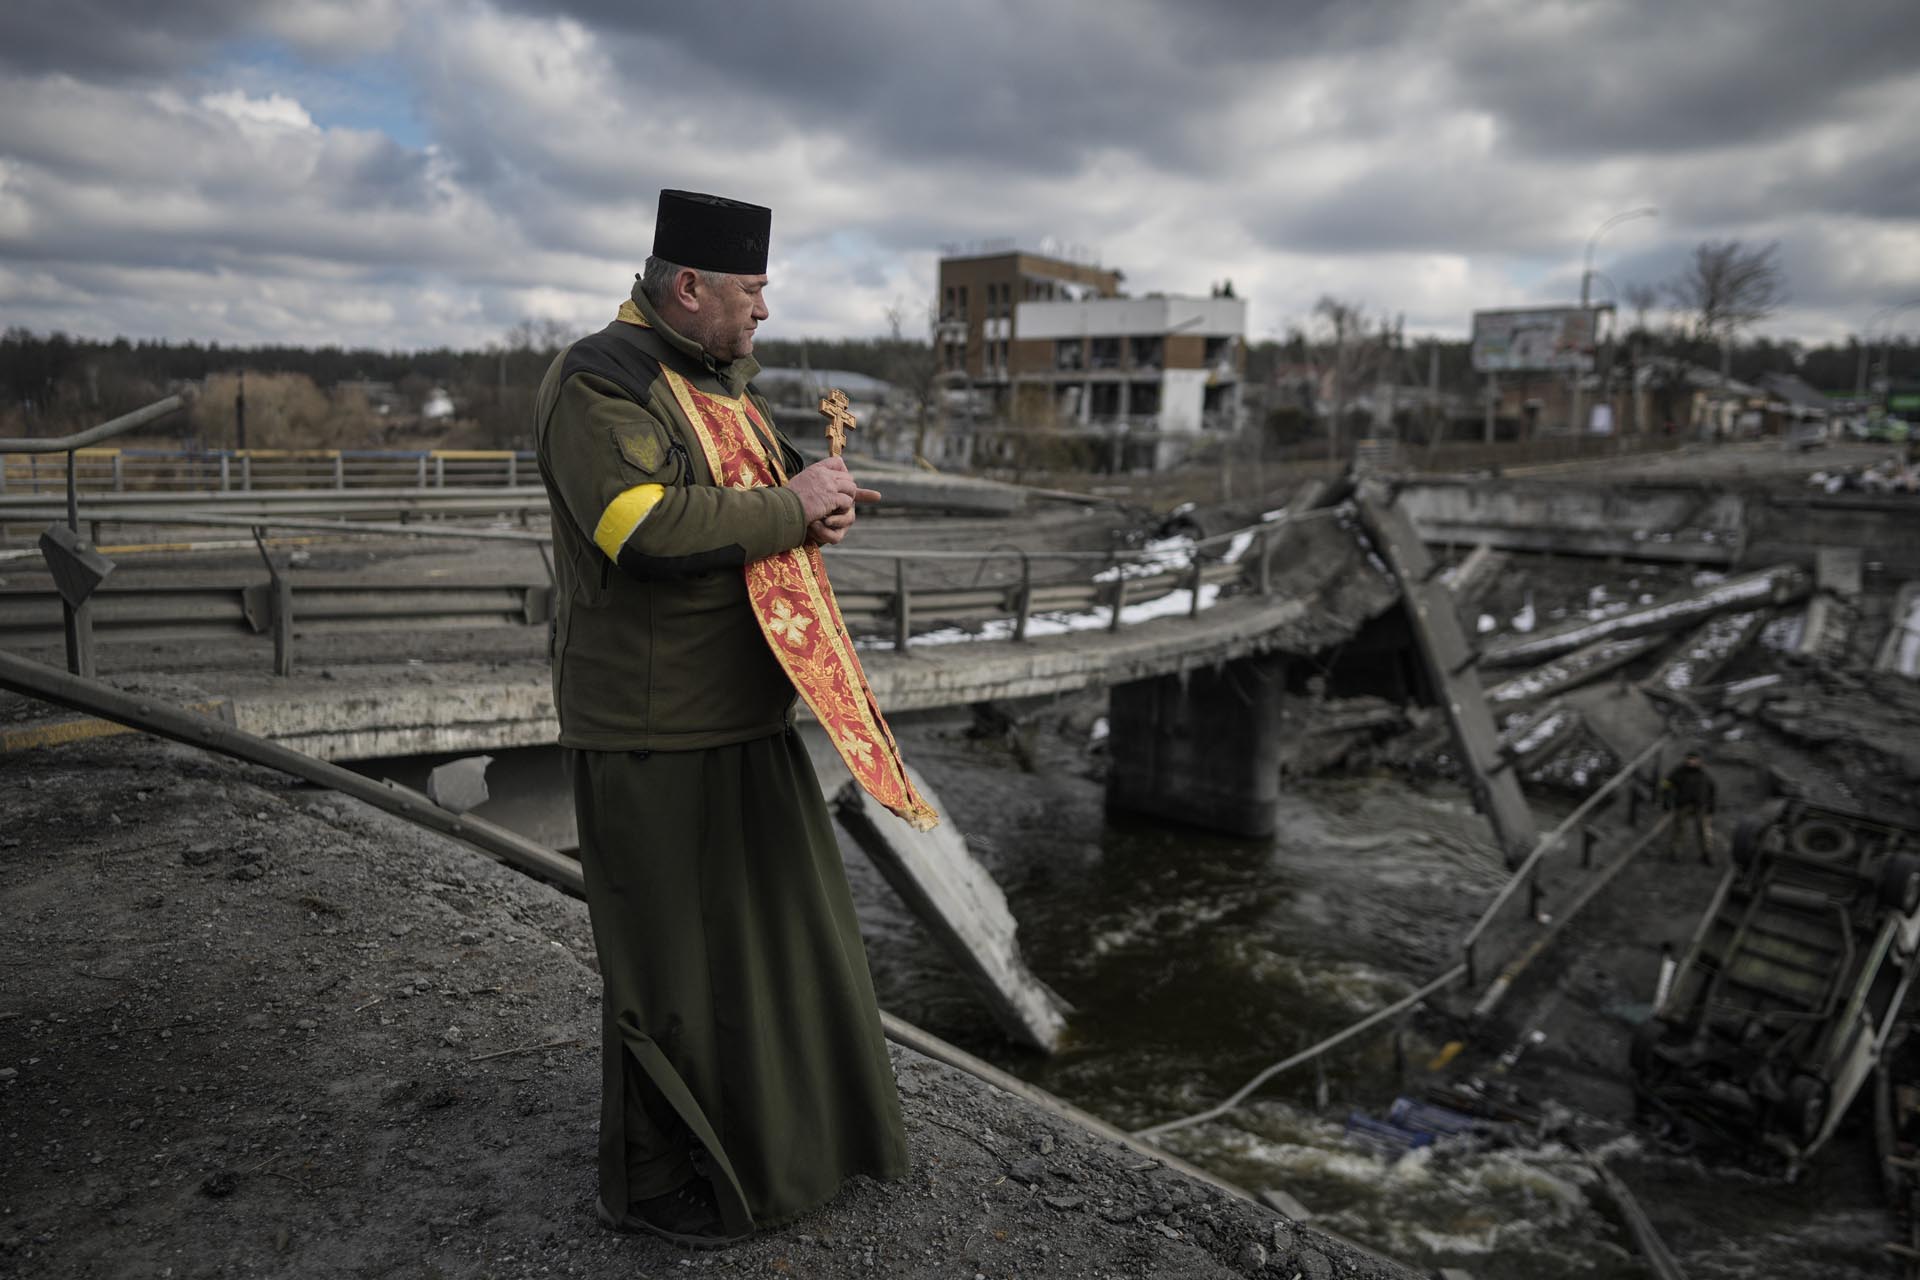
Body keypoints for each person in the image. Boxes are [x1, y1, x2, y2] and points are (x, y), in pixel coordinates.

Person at [532, 189, 911, 1248]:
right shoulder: (598, 379)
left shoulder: (726, 387)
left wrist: (816, 495)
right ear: (688, 286)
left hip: (746, 714)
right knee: (669, 971)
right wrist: (792, 506)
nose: (764, 313)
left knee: (763, 952)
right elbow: (640, 524)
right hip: (650, 726)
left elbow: (757, 493)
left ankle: (776, 1147)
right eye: (751, 292)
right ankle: (656, 1181)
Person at [1661, 750, 1718, 865]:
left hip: (1700, 806)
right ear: (1686, 759)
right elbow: (1666, 783)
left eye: (1694, 759)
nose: (1691, 761)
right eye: (1689, 759)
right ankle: (1675, 853)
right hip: (1683, 805)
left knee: (1704, 830)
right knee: (1679, 829)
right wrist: (1666, 799)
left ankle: (1706, 854)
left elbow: (1712, 790)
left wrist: (1711, 807)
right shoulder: (1678, 772)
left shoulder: (1704, 775)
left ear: (1699, 760)